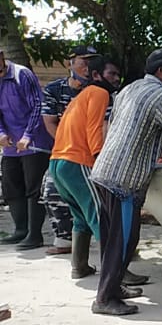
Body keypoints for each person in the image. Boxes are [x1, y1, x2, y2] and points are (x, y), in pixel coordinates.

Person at [90, 49, 162, 315]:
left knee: (112, 239)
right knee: (124, 240)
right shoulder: (160, 96)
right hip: (125, 178)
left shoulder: (128, 89)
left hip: (104, 170)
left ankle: (114, 285)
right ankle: (105, 298)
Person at [48, 56, 115, 280]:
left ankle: (79, 266)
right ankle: (117, 275)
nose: (116, 79)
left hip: (58, 162)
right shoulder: (99, 93)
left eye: (118, 75)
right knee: (100, 216)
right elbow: (94, 129)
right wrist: (99, 160)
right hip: (78, 161)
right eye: (111, 74)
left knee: (80, 217)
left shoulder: (79, 96)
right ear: (96, 75)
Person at [39, 46, 100, 255]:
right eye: (83, 62)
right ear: (70, 63)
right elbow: (50, 122)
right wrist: (68, 143)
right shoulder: (56, 89)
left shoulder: (94, 90)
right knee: (52, 193)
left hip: (79, 155)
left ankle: (80, 263)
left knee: (86, 211)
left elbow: (102, 127)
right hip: (69, 153)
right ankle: (116, 265)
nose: (87, 67)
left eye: (91, 63)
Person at [0, 48, 54, 250]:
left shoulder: (22, 75)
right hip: (11, 145)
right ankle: (20, 230)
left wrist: (27, 135)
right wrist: (1, 133)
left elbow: (37, 106)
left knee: (33, 188)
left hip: (34, 142)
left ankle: (34, 234)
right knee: (11, 186)